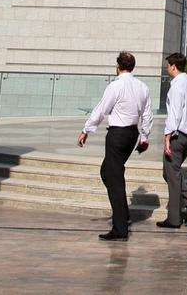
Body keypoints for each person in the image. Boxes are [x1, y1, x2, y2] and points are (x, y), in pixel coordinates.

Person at [78, 51, 152, 241]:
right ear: (132, 67)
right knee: (107, 171)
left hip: (117, 134)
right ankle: (123, 214)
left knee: (114, 178)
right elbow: (147, 114)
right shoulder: (142, 87)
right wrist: (144, 136)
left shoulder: (115, 86)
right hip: (132, 134)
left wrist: (86, 129)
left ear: (118, 66)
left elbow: (101, 109)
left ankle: (120, 228)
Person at [157, 51, 187, 228]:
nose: (167, 68)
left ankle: (174, 219)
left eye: (168, 66)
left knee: (172, 175)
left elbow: (174, 115)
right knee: (169, 173)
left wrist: (167, 138)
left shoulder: (177, 87)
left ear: (174, 67)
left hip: (178, 136)